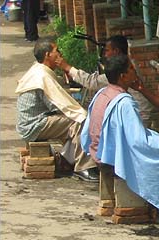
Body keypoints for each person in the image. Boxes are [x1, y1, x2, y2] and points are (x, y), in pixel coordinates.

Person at [80, 55, 159, 223]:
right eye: (131, 70)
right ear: (122, 76)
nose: (135, 73)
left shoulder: (102, 93)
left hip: (98, 152)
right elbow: (139, 142)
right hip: (113, 158)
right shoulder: (124, 102)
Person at [15, 40, 98, 182]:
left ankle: (67, 160)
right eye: (57, 51)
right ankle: (83, 167)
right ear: (48, 55)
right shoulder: (42, 75)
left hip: (31, 122)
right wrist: (78, 108)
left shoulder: (38, 70)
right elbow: (57, 105)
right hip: (34, 125)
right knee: (79, 120)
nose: (60, 54)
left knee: (75, 116)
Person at [57, 35, 155, 125]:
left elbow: (92, 82)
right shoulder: (127, 63)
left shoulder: (122, 68)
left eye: (107, 51)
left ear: (116, 51)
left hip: (139, 113)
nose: (105, 54)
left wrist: (67, 67)